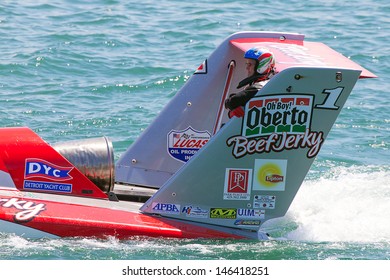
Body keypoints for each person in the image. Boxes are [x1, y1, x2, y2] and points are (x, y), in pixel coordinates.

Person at [224, 47, 276, 118]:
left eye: (250, 64)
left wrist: (230, 106)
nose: (247, 68)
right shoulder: (269, 82)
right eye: (247, 64)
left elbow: (232, 102)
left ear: (262, 66)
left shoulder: (257, 88)